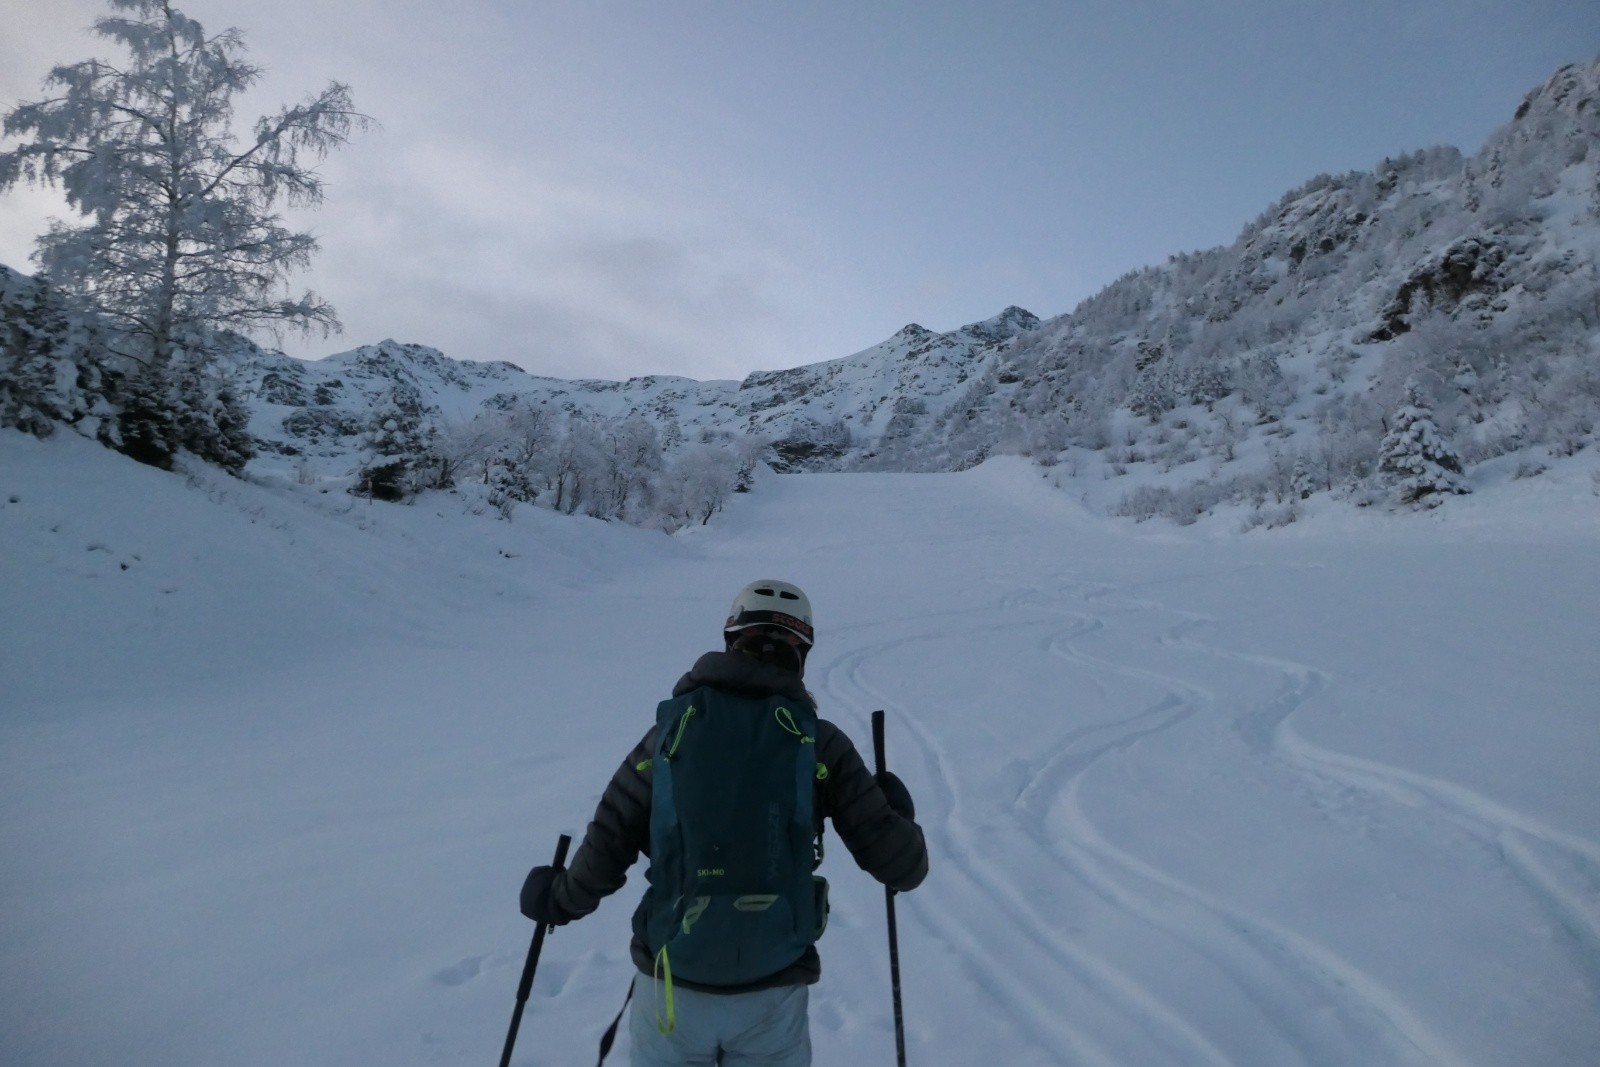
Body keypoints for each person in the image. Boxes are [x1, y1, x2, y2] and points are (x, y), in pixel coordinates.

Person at [520, 579, 928, 1066]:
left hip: (671, 985)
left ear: (731, 640)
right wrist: (898, 814)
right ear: (803, 655)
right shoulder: (822, 743)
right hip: (772, 991)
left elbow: (608, 843)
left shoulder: (669, 734)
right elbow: (902, 867)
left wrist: (558, 900)